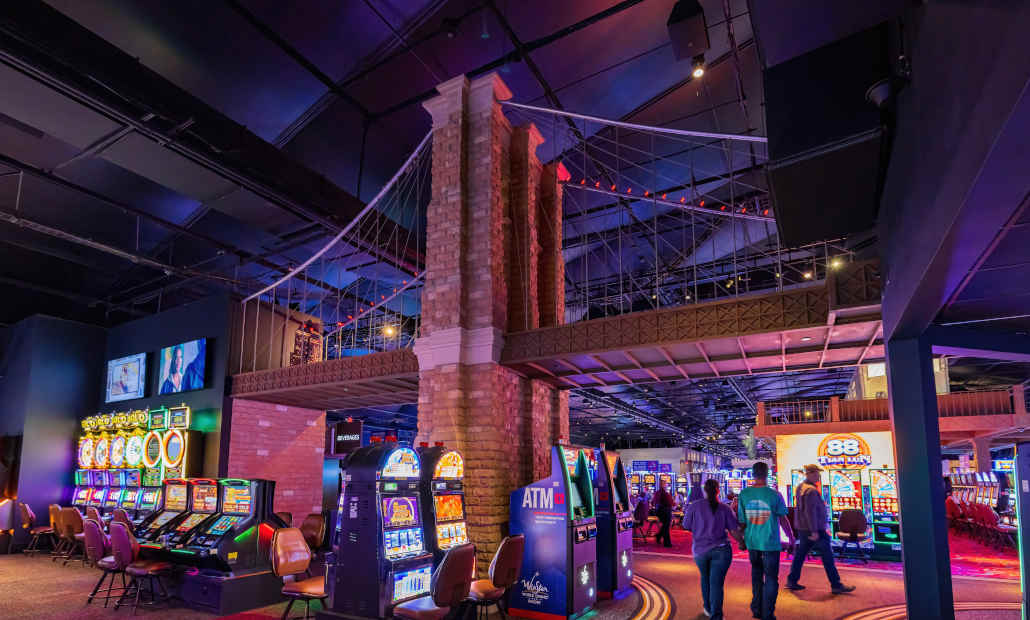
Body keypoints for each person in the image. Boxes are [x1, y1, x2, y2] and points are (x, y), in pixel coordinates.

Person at [785, 464, 855, 594]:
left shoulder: (801, 487)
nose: (819, 476)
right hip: (814, 528)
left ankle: (792, 580)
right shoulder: (811, 490)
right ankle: (836, 584)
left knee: (800, 555)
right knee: (827, 555)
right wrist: (814, 531)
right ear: (810, 474)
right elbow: (810, 512)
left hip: (803, 528)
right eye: (817, 473)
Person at [738, 461, 795, 620]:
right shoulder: (774, 494)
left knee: (756, 576)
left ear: (752, 474)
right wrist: (791, 538)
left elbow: (742, 522)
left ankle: (756, 609)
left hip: (752, 543)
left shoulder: (744, 494)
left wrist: (740, 539)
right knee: (770, 578)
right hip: (770, 543)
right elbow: (783, 520)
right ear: (767, 474)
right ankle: (768, 613)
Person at [682, 479, 743, 620]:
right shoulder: (725, 508)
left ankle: (708, 609)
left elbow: (686, 525)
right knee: (716, 583)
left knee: (705, 578)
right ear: (718, 490)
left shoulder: (694, 506)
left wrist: (700, 529)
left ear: (705, 490)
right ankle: (716, 615)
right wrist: (742, 542)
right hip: (721, 550)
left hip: (700, 550)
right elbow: (734, 530)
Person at [654, 478, 675, 547]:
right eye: (665, 484)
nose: (666, 485)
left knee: (665, 526)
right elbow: (670, 503)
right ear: (662, 485)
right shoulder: (664, 493)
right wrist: (674, 503)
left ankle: (659, 536)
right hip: (665, 511)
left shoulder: (657, 492)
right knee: (666, 526)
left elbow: (653, 502)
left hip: (659, 512)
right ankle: (666, 543)